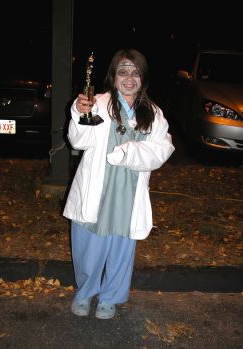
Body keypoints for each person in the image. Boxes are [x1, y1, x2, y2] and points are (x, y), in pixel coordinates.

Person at [63, 48, 175, 319]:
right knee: (89, 246)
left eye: (135, 72)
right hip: (96, 189)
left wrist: (129, 152)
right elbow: (78, 141)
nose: (129, 78)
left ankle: (110, 297)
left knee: (121, 248)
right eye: (123, 71)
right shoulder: (97, 103)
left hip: (128, 192)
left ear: (143, 78)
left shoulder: (154, 113)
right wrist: (79, 114)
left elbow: (163, 149)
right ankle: (85, 293)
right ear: (113, 77)